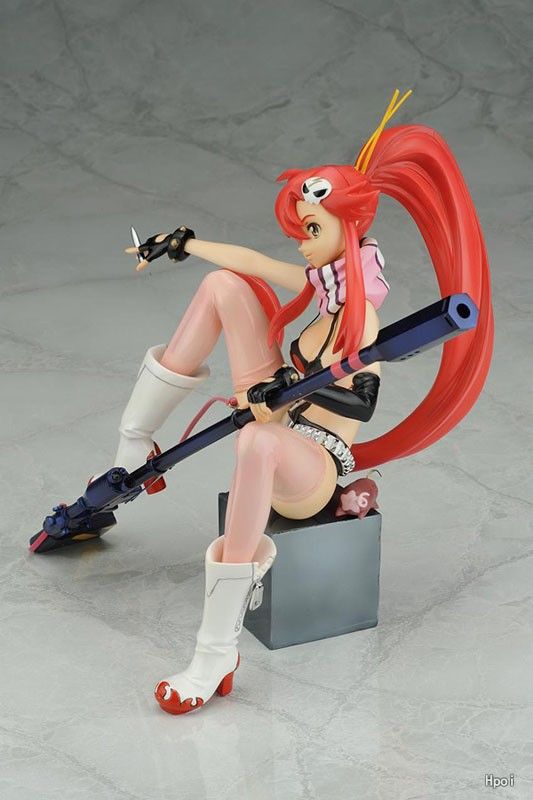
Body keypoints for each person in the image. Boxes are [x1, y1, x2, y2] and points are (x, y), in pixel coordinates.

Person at [115, 91, 493, 715]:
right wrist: (185, 243)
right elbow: (253, 262)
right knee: (224, 286)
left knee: (256, 440)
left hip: (313, 464)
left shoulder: (363, 316)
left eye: (311, 229)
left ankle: (216, 651)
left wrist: (287, 395)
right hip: (279, 410)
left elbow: (361, 404)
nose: (300, 242)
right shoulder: (325, 287)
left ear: (348, 227)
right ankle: (134, 441)